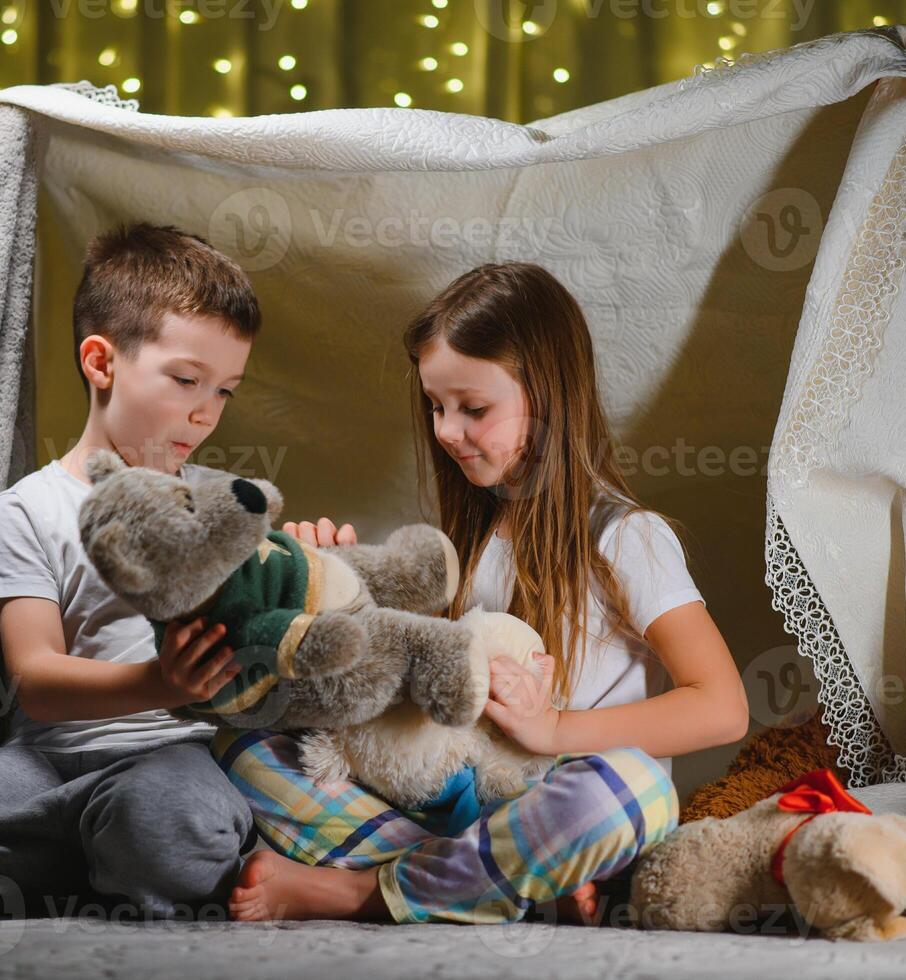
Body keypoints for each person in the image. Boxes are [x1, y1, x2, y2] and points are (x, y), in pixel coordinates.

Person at [214, 261, 750, 924]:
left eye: (473, 409)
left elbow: (721, 708)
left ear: (548, 395)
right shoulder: (471, 537)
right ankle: (497, 881)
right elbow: (416, 701)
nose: (444, 431)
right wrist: (327, 587)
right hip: (465, 802)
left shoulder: (624, 538)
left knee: (636, 793)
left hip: (567, 801)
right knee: (243, 749)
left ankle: (364, 893)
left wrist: (555, 729)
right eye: (436, 406)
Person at [0, 223, 262, 922]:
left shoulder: (228, 506)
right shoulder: (30, 505)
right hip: (44, 766)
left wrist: (316, 565)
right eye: (187, 380)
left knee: (170, 829)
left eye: (225, 392)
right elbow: (36, 680)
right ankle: (95, 867)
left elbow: (279, 635)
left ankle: (109, 861)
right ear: (100, 362)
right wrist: (160, 681)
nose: (203, 412)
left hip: (171, 752)